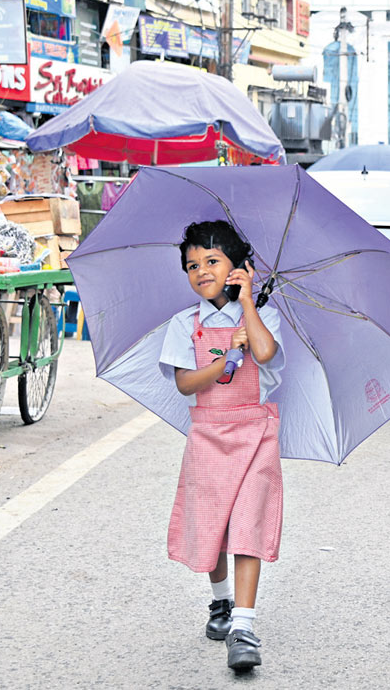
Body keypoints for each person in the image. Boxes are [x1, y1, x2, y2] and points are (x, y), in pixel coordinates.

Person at [158, 221, 286, 673]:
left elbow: (267, 353)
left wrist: (247, 306)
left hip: (255, 433)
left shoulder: (261, 316)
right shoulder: (184, 325)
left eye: (212, 261)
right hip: (208, 435)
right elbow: (185, 383)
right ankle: (221, 602)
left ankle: (244, 628)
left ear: (238, 267)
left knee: (248, 523)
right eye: (193, 265)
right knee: (212, 529)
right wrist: (223, 362)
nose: (201, 271)